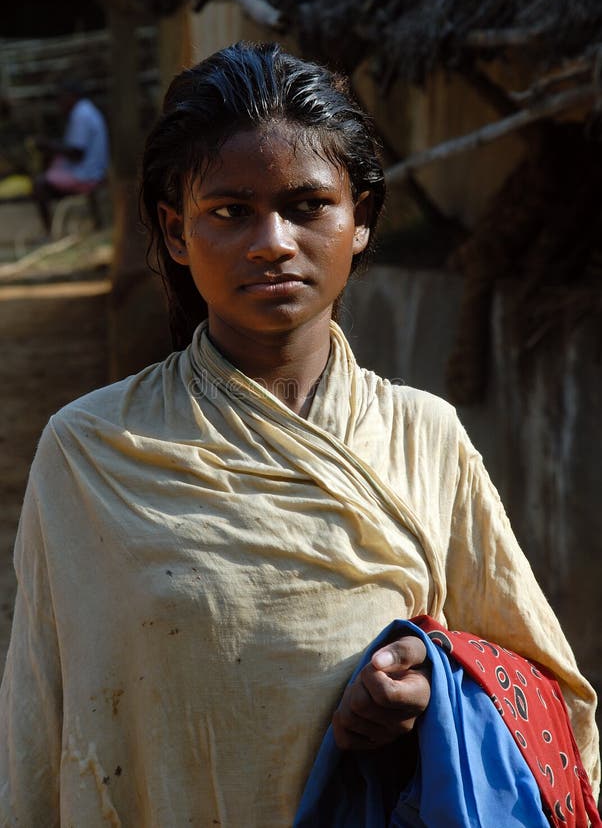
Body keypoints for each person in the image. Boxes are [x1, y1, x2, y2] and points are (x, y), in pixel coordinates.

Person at [0, 42, 598, 826]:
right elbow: (41, 730)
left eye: (308, 206)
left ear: (361, 221)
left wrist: (437, 681)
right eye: (229, 212)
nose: (272, 242)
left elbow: (551, 703)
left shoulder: (426, 438)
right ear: (176, 233)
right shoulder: (90, 453)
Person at [33, 80, 109, 233]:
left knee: (39, 185)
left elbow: (76, 153)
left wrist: (48, 146)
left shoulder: (81, 114)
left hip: (86, 174)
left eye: (61, 98)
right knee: (51, 165)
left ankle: (48, 231)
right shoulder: (86, 110)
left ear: (72, 96)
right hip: (92, 169)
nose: (59, 103)